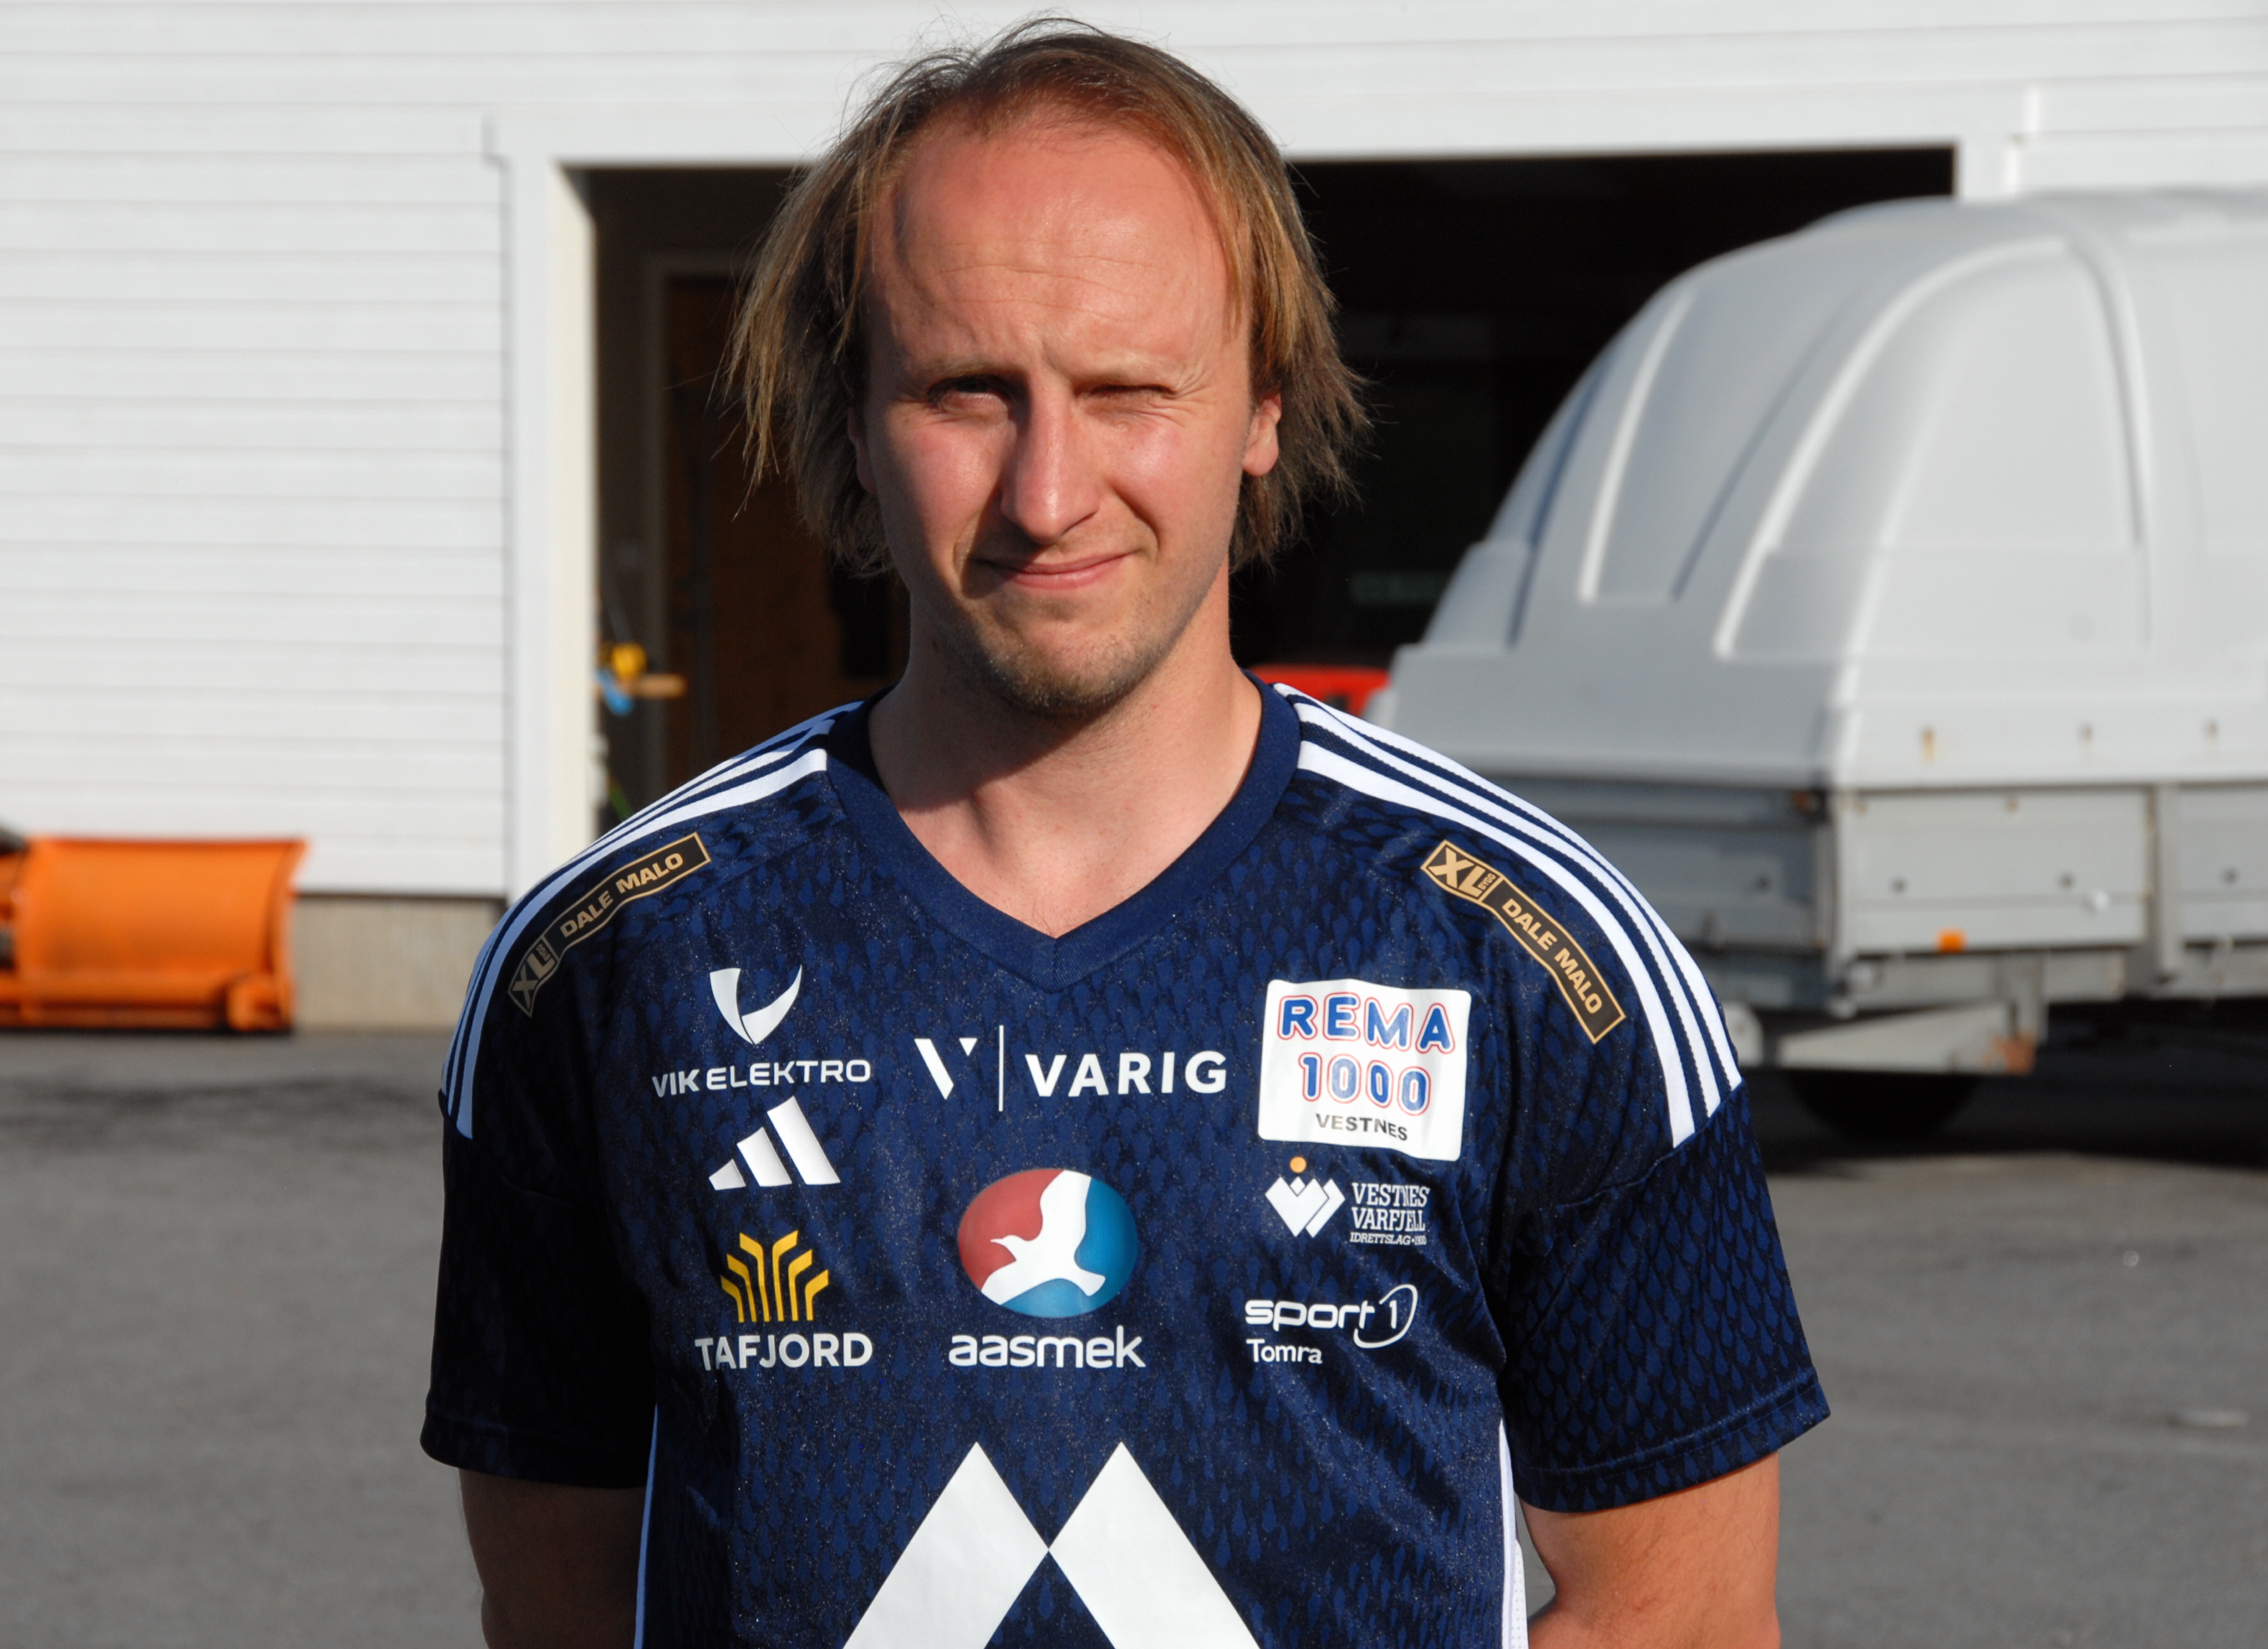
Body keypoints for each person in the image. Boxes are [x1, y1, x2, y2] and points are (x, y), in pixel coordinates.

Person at [423, 22, 1825, 1648]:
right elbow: (558, 1604)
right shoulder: (610, 963)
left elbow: (1680, 1621)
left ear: (1262, 411)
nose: (1047, 492)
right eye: (967, 392)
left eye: (1127, 392)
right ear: (852, 418)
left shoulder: (1536, 961)